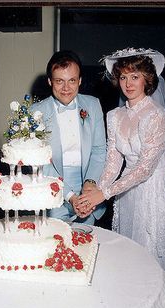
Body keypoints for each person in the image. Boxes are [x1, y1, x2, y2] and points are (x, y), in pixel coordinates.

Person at [77, 47, 165, 279]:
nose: (128, 83)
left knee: (151, 259)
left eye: (135, 76)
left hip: (154, 193)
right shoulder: (114, 116)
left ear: (148, 79)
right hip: (127, 193)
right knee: (129, 255)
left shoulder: (158, 116)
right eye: (123, 77)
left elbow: (145, 169)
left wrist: (103, 194)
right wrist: (95, 192)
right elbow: (113, 162)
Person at [30, 50, 106, 225]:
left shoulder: (93, 105)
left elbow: (99, 150)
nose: (66, 88)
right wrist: (71, 196)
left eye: (72, 80)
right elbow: (40, 163)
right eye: (59, 81)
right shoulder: (36, 112)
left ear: (79, 80)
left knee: (86, 243)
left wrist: (89, 184)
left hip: (88, 185)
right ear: (50, 81)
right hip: (53, 185)